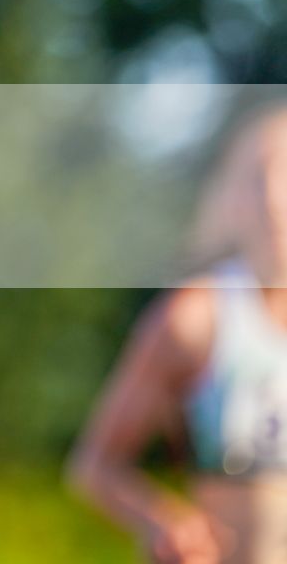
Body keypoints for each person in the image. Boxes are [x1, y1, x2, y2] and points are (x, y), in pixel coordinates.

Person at [71, 102, 287, 564]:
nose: (272, 199)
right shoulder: (198, 317)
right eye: (256, 179)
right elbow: (95, 465)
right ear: (231, 198)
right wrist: (165, 520)